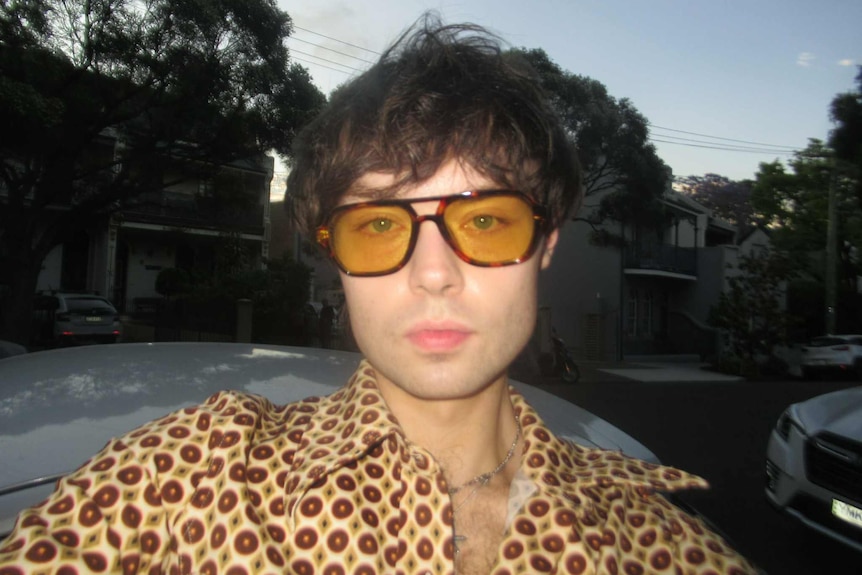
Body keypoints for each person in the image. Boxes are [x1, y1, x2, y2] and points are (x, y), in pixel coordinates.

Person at [0, 16, 757, 575]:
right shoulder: (192, 475)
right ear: (333, 255)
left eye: (485, 220)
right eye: (378, 225)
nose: (433, 273)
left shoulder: (662, 544)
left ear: (546, 242)